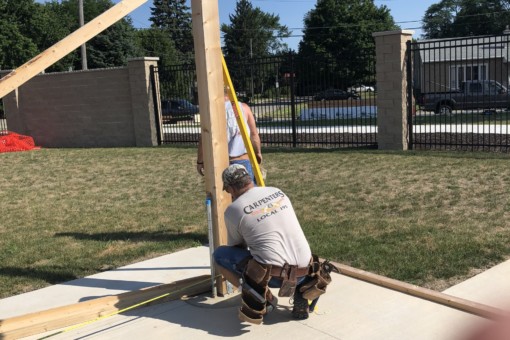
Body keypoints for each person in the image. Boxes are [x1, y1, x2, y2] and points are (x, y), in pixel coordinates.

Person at [213, 164, 316, 324]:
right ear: (249, 179)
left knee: (220, 255)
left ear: (231, 189)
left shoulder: (234, 209)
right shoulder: (276, 191)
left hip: (274, 277)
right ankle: (302, 291)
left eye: (227, 190)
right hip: (306, 270)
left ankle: (263, 299)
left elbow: (237, 249)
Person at [196, 94, 262, 183]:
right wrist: (258, 152)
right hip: (242, 160)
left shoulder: (213, 111)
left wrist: (200, 161)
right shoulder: (243, 108)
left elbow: (203, 139)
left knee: (225, 194)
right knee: (247, 193)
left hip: (221, 162)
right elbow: (254, 134)